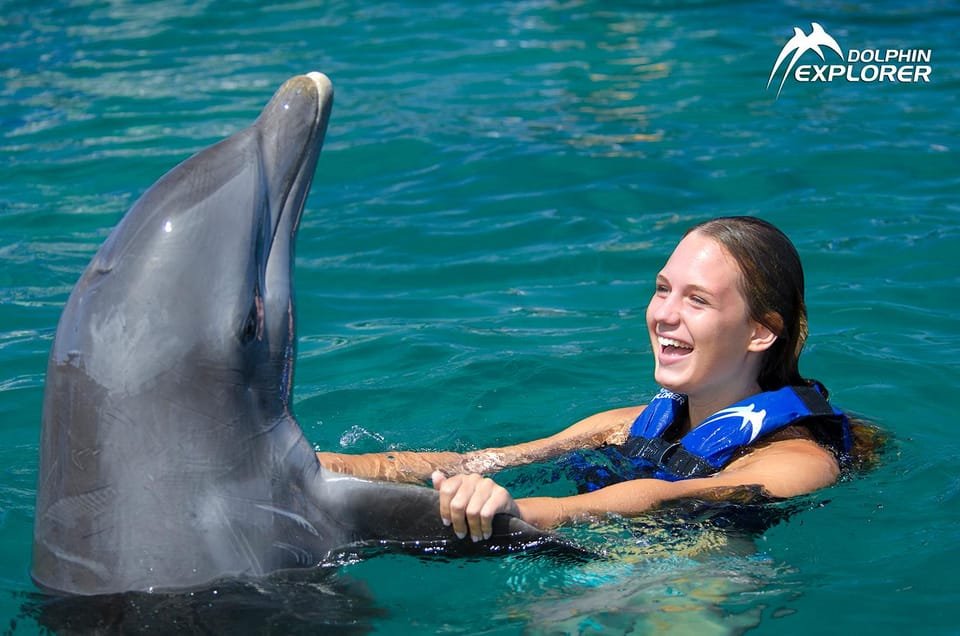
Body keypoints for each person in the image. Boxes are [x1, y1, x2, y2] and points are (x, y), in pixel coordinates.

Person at [316, 216, 853, 543]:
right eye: (662, 289)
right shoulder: (624, 426)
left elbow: (663, 497)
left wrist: (522, 511)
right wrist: (325, 467)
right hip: (598, 558)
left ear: (761, 332)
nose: (664, 314)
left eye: (698, 299)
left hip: (704, 583)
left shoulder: (800, 461)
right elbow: (479, 461)